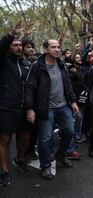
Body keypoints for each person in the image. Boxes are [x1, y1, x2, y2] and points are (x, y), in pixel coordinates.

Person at [25, 39, 79, 180]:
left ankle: (60, 156)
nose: (57, 49)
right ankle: (45, 166)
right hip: (45, 109)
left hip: (63, 106)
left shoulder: (61, 64)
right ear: (45, 50)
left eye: (58, 47)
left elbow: (67, 84)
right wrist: (30, 108)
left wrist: (73, 101)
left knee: (69, 132)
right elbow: (29, 87)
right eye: (53, 47)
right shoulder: (37, 66)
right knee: (45, 138)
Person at [0, 21, 33, 186]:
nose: (19, 47)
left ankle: (19, 160)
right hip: (7, 107)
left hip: (24, 107)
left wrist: (30, 107)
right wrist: (11, 34)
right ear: (8, 47)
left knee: (25, 136)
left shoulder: (25, 63)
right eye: (15, 45)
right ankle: (4, 172)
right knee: (5, 138)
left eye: (21, 45)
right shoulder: (3, 61)